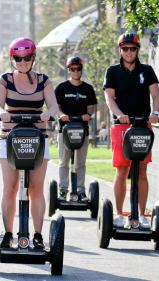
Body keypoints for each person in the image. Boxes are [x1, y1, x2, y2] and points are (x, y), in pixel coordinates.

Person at [0, 37, 59, 249]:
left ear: (33, 57)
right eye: (18, 59)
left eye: (27, 58)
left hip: (37, 139)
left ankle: (38, 235)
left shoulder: (44, 80)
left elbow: (54, 107)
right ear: (13, 59)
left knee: (36, 189)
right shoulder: (5, 79)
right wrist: (2, 113)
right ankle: (8, 233)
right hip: (9, 139)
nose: (23, 62)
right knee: (10, 187)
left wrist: (47, 114)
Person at [103, 33, 159, 229]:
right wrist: (119, 114)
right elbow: (109, 98)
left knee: (142, 170)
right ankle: (119, 214)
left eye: (132, 49)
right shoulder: (112, 71)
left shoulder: (147, 70)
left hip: (143, 125)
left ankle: (142, 215)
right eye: (125, 48)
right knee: (122, 170)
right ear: (120, 50)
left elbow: (156, 95)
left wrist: (155, 112)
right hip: (122, 126)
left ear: (137, 50)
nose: (129, 52)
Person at [54, 56, 97, 202]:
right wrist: (62, 115)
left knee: (80, 163)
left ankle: (80, 191)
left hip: (81, 130)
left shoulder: (88, 89)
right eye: (73, 69)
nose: (76, 71)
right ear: (69, 70)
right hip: (64, 130)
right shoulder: (61, 88)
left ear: (81, 69)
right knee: (63, 162)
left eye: (78, 68)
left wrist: (88, 114)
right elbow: (56, 108)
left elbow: (91, 107)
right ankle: (63, 190)